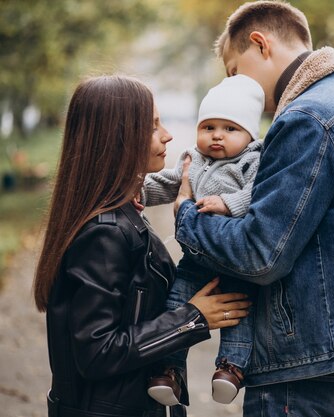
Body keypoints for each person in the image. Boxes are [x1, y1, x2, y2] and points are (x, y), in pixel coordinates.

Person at [174, 1, 334, 416]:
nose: (235, 90)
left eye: (235, 73)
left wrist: (186, 216)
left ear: (260, 44)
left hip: (309, 374)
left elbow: (260, 254)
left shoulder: (307, 118)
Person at [32, 75, 251, 417]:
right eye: (153, 127)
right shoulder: (103, 233)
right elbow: (96, 351)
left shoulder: (120, 215)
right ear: (118, 139)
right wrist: (193, 318)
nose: (168, 136)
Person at [141, 74, 264, 405]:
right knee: (176, 304)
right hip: (195, 261)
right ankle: (169, 370)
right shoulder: (192, 160)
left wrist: (228, 203)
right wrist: (134, 192)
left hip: (235, 259)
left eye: (229, 129)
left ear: (250, 135)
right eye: (209, 127)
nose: (217, 136)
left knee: (238, 313)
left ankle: (231, 367)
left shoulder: (254, 161)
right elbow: (167, 183)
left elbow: (258, 195)